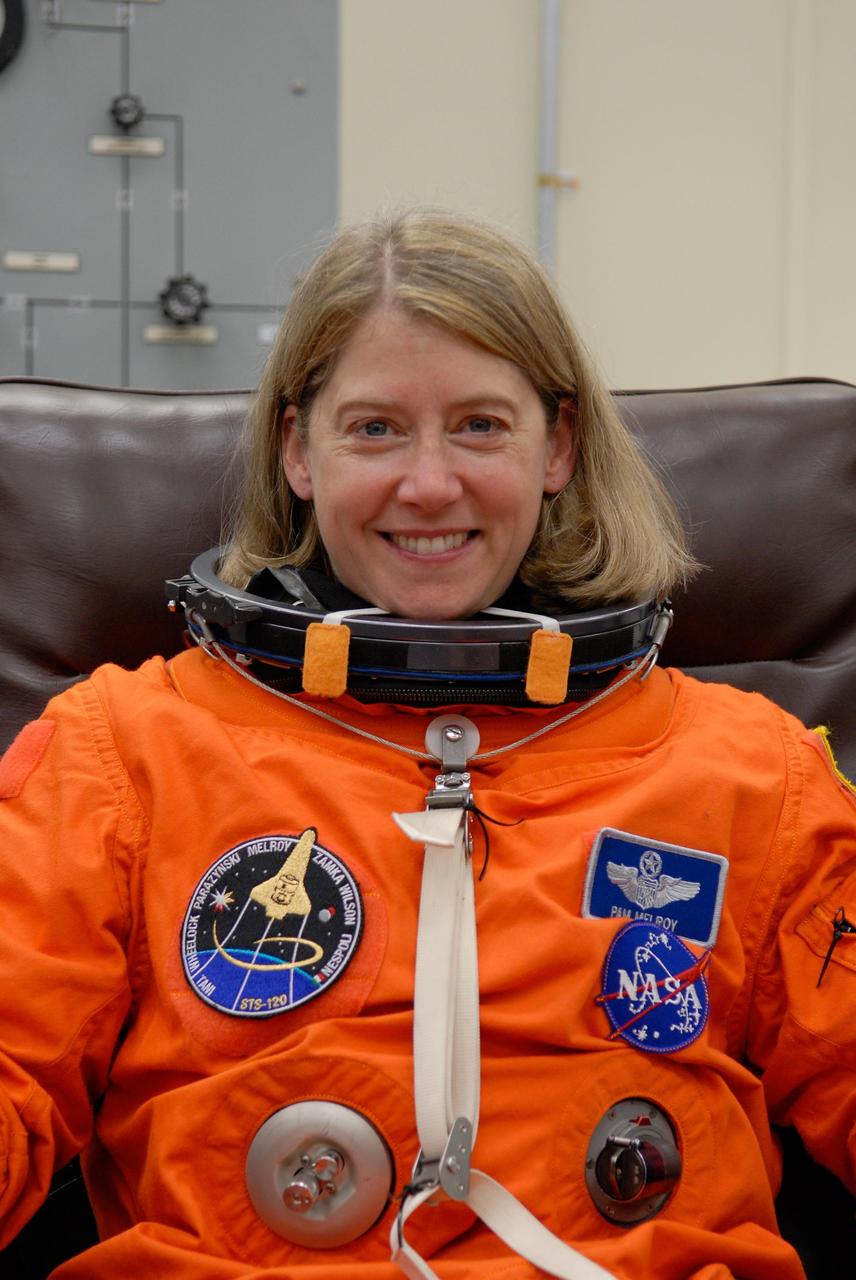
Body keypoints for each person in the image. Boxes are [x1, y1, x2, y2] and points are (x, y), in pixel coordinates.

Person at [0, 209, 853, 1280]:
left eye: (481, 426)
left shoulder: (749, 772)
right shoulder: (122, 752)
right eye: (373, 429)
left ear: (560, 447)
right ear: (295, 451)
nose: (430, 483)